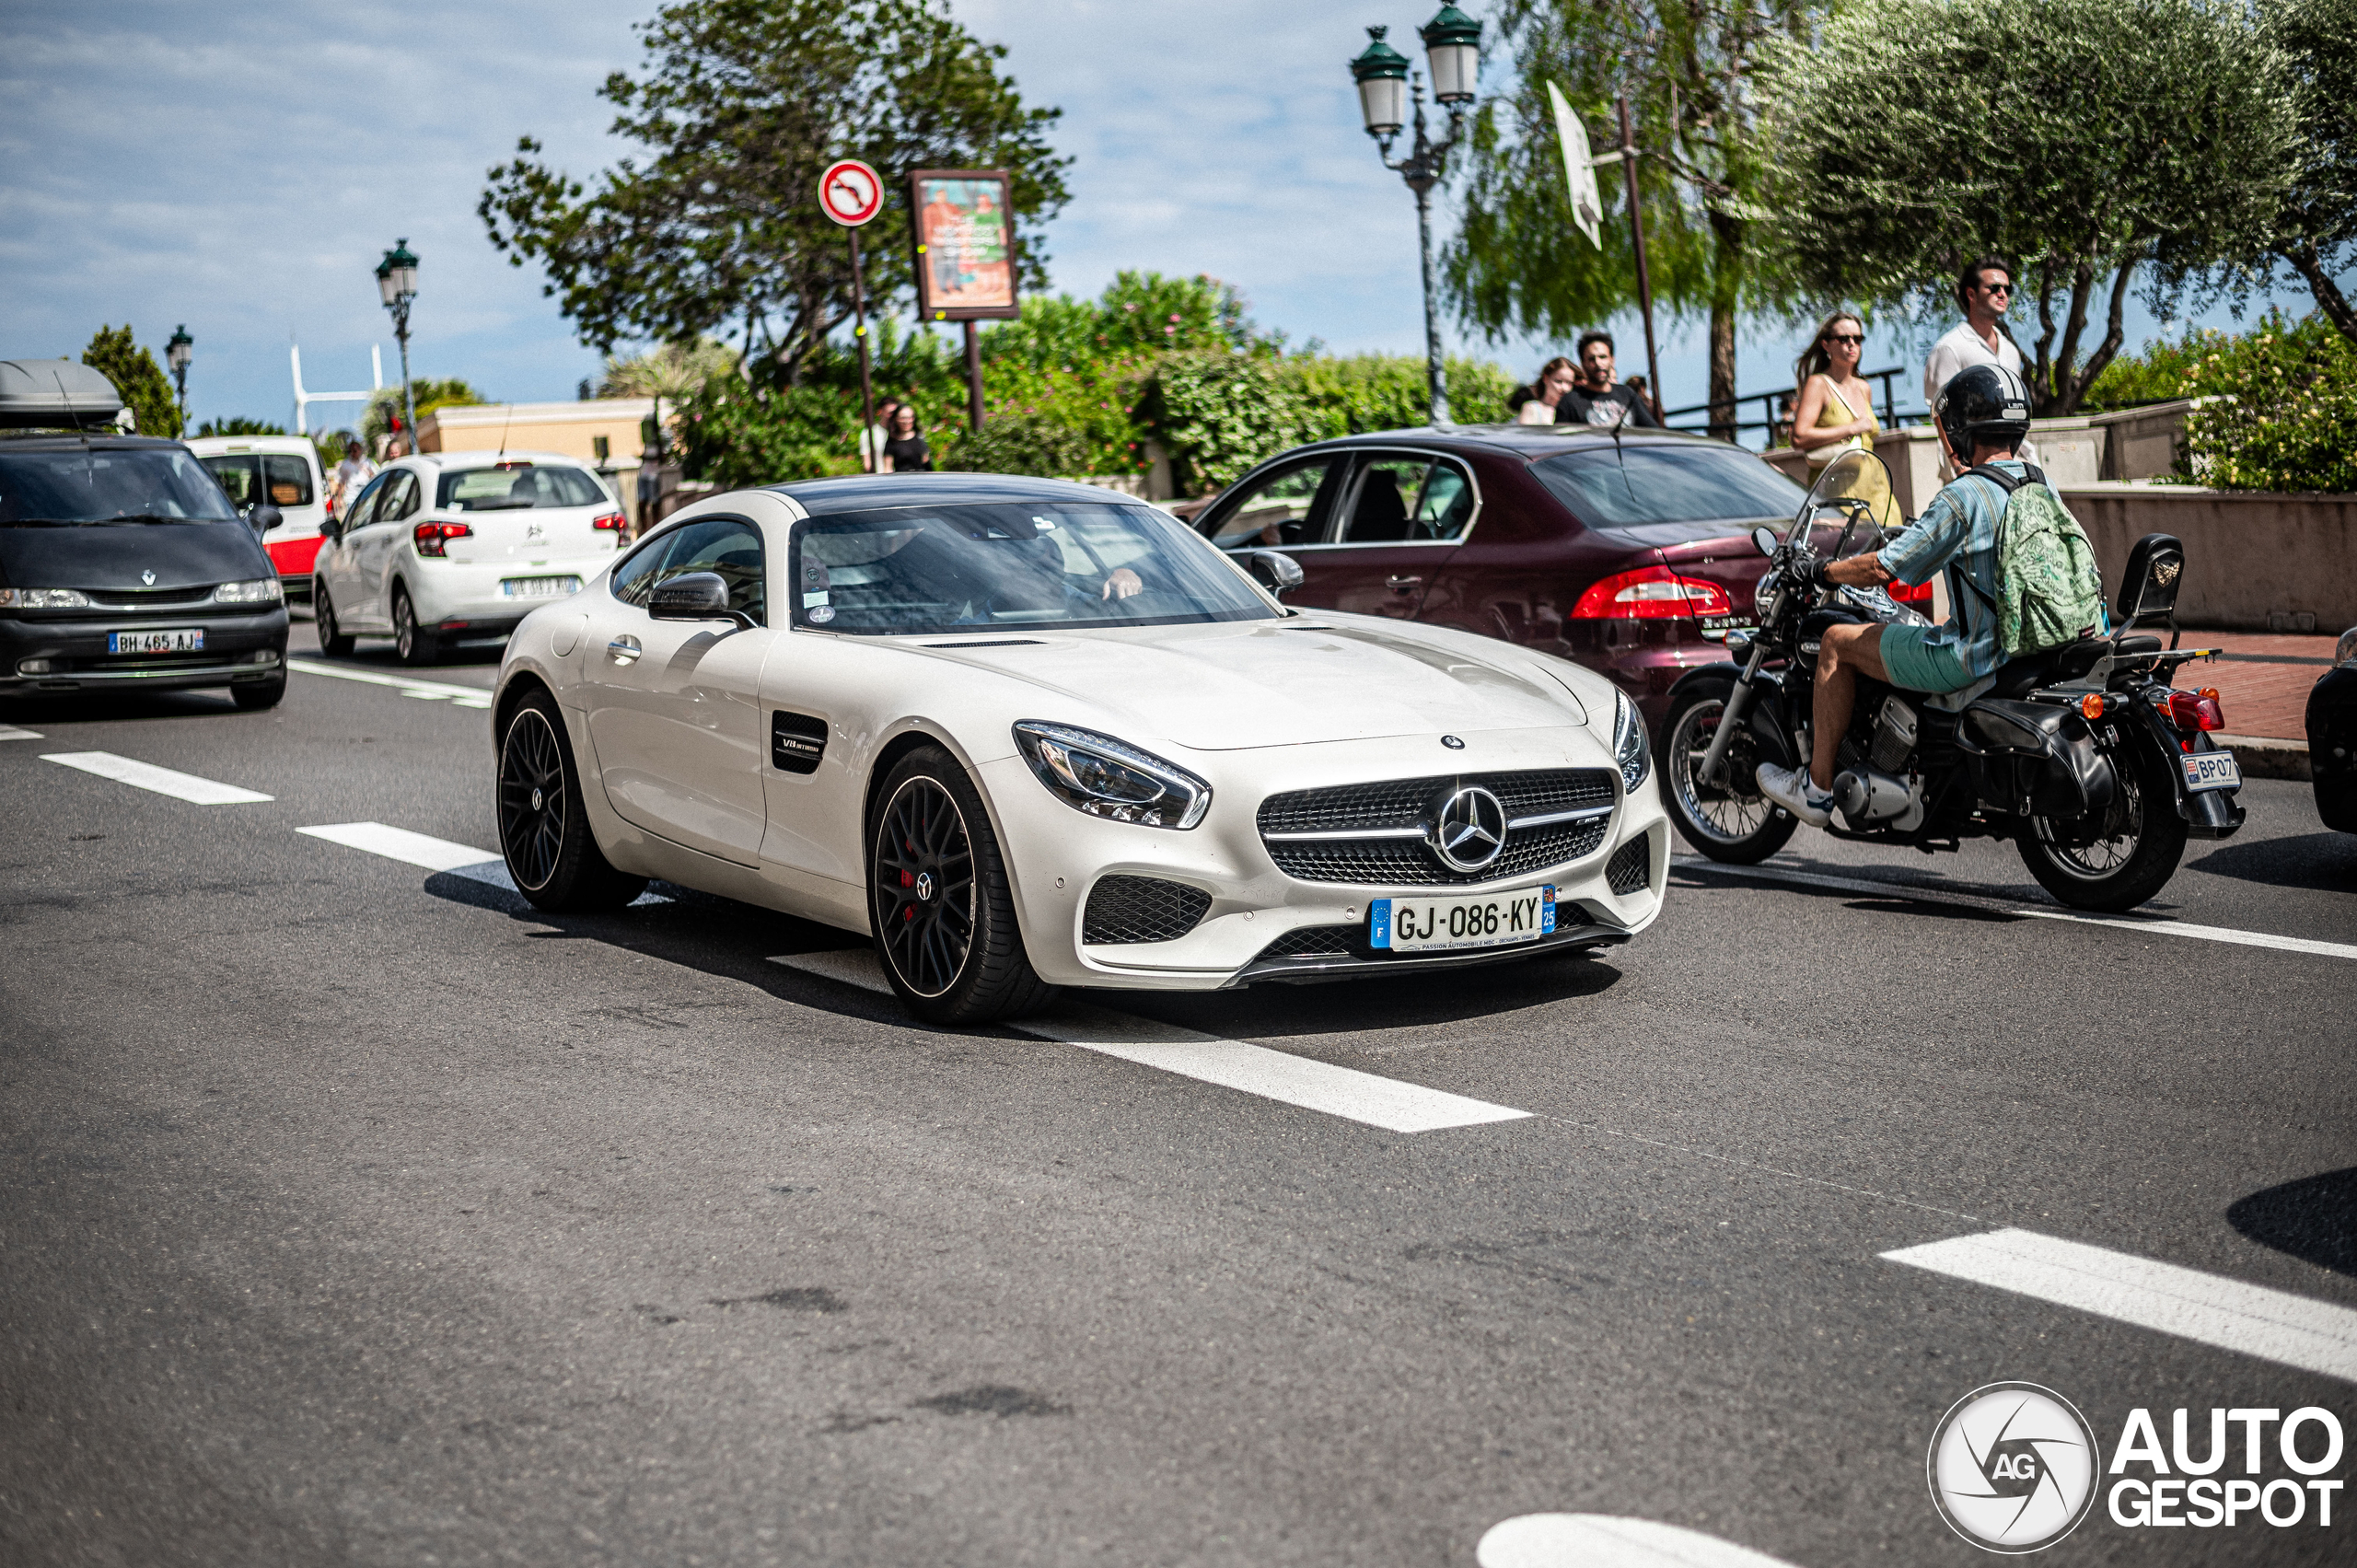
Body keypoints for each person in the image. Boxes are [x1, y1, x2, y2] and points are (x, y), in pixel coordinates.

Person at [1755, 363, 2054, 826]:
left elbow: (1883, 567)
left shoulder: (1965, 496)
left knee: (1835, 641)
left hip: (1973, 655)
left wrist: (1823, 571)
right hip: (2037, 643)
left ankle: (1815, 790)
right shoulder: (2039, 482)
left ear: (1960, 431)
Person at [1790, 310, 1899, 532]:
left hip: (1877, 493)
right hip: (1837, 497)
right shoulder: (1819, 384)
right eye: (1843, 339)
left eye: (1857, 339)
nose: (1851, 344)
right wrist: (1851, 428)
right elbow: (1799, 436)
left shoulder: (1863, 387)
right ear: (1826, 345)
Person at [1924, 256, 2035, 473]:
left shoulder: (2010, 350)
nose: (2002, 294)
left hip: (2015, 462)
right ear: (1971, 294)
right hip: (1971, 466)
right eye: (1994, 288)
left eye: (2007, 289)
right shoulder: (1950, 347)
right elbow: (1939, 410)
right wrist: (1958, 465)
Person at [1555, 331, 1658, 427]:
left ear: (1612, 360)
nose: (1598, 363)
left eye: (1603, 357)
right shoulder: (1570, 402)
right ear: (1582, 364)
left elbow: (1654, 433)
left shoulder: (1627, 394)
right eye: (1591, 359)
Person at [1515, 357, 1578, 424]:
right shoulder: (1532, 409)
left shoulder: (1573, 412)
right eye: (1558, 381)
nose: (1564, 388)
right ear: (1546, 379)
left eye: (1569, 383)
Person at [881, 403, 931, 472]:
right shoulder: (892, 442)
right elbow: (888, 467)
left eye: (910, 418)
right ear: (896, 419)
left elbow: (927, 462)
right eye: (903, 418)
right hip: (901, 480)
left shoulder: (920, 438)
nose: (906, 422)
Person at [858, 397, 901, 473]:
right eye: (890, 413)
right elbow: (867, 464)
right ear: (880, 412)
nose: (893, 416)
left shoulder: (903, 433)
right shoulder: (869, 433)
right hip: (879, 479)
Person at [331, 437, 375, 508]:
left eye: (354, 451)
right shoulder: (345, 464)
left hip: (366, 496)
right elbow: (341, 482)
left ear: (360, 450)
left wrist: (368, 471)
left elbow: (375, 477)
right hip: (351, 498)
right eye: (349, 451)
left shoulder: (368, 462)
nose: (352, 453)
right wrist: (339, 500)